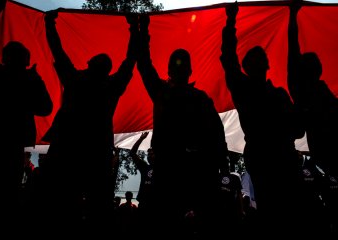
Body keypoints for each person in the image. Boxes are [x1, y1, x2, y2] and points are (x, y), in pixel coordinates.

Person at [41, 10, 139, 235]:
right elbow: (130, 60)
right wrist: (135, 28)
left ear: (89, 64)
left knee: (58, 203)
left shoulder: (75, 79)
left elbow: (57, 50)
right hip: (96, 152)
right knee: (97, 207)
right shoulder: (110, 86)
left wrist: (50, 23)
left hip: (67, 149)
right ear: (107, 71)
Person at [137, 15, 229, 238]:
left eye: (182, 64)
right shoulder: (169, 94)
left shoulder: (194, 98)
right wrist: (143, 30)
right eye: (177, 64)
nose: (179, 69)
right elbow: (144, 63)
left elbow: (218, 136)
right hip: (176, 174)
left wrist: (221, 167)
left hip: (191, 175)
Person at [220, 1, 304, 234]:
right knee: (284, 214)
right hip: (275, 159)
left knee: (280, 214)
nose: (261, 60)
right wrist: (230, 21)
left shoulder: (263, 92)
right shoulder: (261, 92)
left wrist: (231, 20)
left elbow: (298, 129)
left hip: (271, 158)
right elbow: (298, 129)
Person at [0, 0, 52, 231]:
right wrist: (36, 80)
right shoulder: (26, 82)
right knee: (7, 192)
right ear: (26, 62)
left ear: (5, 57)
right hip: (10, 144)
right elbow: (46, 108)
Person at [288, 1, 338, 235]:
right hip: (323, 159)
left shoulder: (322, 90)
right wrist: (292, 17)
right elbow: (293, 52)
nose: (320, 65)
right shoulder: (304, 91)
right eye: (316, 64)